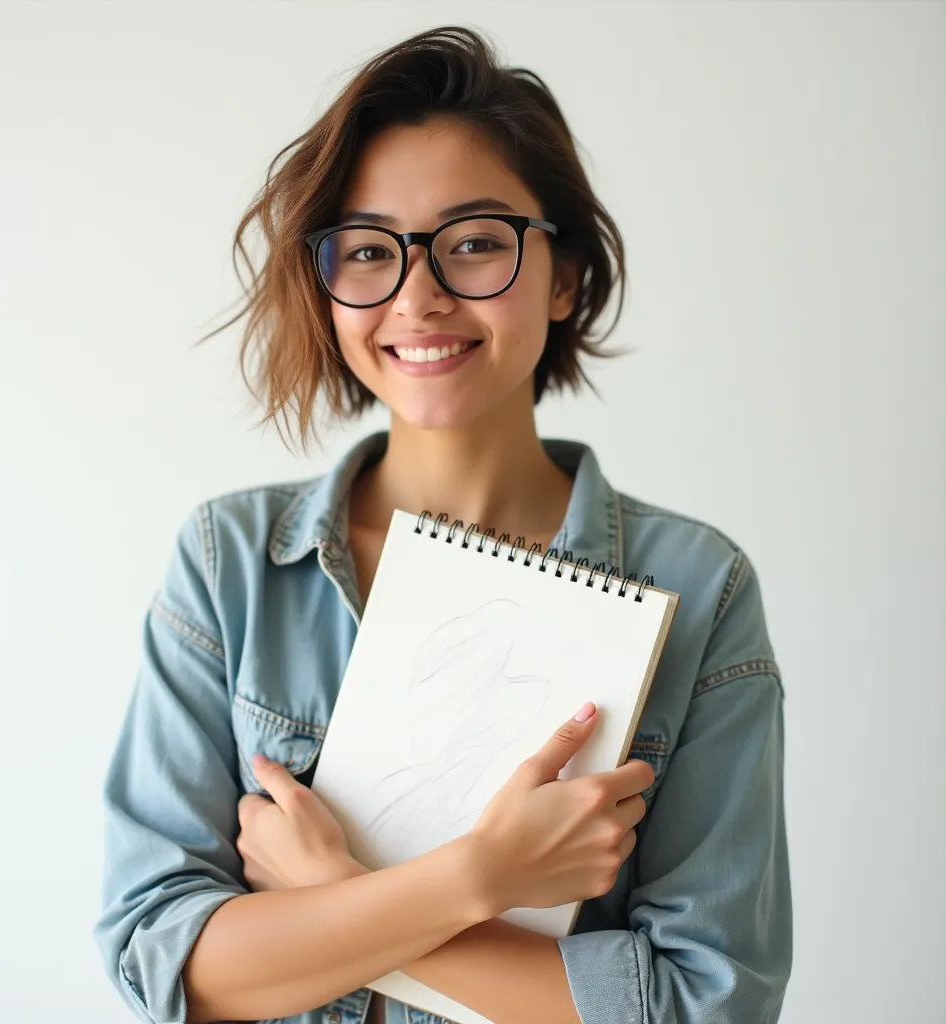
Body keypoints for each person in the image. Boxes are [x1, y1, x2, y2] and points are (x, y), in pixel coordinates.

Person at [93, 24, 792, 1024]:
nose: (417, 296)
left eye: (472, 242)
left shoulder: (699, 584)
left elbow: (702, 1006)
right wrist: (479, 876)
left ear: (564, 277)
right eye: (370, 251)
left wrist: (328, 896)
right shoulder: (230, 565)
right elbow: (160, 957)